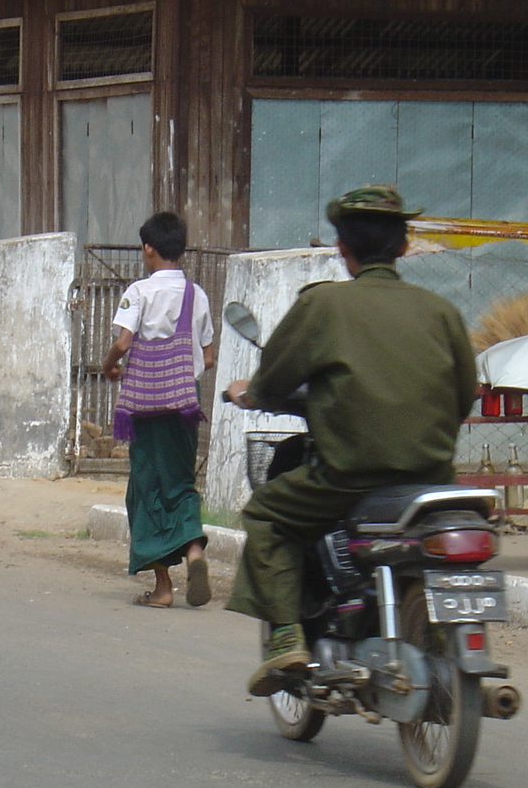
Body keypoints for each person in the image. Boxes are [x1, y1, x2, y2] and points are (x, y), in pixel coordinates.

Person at [224, 186, 479, 696]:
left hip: (347, 478)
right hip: (430, 480)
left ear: (342, 247)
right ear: (404, 246)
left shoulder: (323, 305)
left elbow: (273, 381)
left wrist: (250, 393)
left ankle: (286, 640)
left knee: (268, 516)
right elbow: (463, 394)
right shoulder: (442, 312)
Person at [102, 212, 217, 608]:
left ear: (149, 248)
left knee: (146, 487)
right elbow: (209, 355)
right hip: (184, 404)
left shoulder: (140, 291)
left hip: (144, 408)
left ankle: (164, 588)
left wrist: (109, 365)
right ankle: (195, 552)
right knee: (181, 482)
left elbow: (123, 342)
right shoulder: (195, 294)